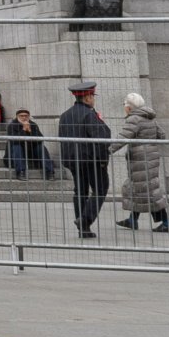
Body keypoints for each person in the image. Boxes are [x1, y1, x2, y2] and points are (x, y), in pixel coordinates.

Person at [56, 81, 114, 239]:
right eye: (92, 96)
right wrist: (103, 160)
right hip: (91, 160)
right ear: (88, 97)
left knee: (80, 192)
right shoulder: (89, 114)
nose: (93, 99)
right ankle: (85, 219)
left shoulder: (65, 114)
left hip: (73, 160)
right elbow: (102, 138)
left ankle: (84, 229)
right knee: (101, 189)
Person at [113, 93, 169, 232]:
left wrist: (107, 150)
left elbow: (123, 137)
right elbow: (162, 135)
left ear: (129, 107)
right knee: (137, 189)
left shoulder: (134, 119)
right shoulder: (149, 118)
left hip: (141, 160)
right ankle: (132, 220)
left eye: (125, 105)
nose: (124, 108)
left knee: (149, 192)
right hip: (151, 159)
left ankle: (166, 222)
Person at [4, 108, 54, 180]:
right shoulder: (12, 126)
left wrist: (30, 131)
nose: (24, 118)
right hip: (16, 153)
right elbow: (14, 141)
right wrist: (24, 130)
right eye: (21, 116)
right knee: (16, 146)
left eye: (26, 116)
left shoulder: (33, 124)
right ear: (17, 116)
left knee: (41, 147)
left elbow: (40, 138)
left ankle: (50, 172)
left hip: (31, 152)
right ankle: (20, 172)